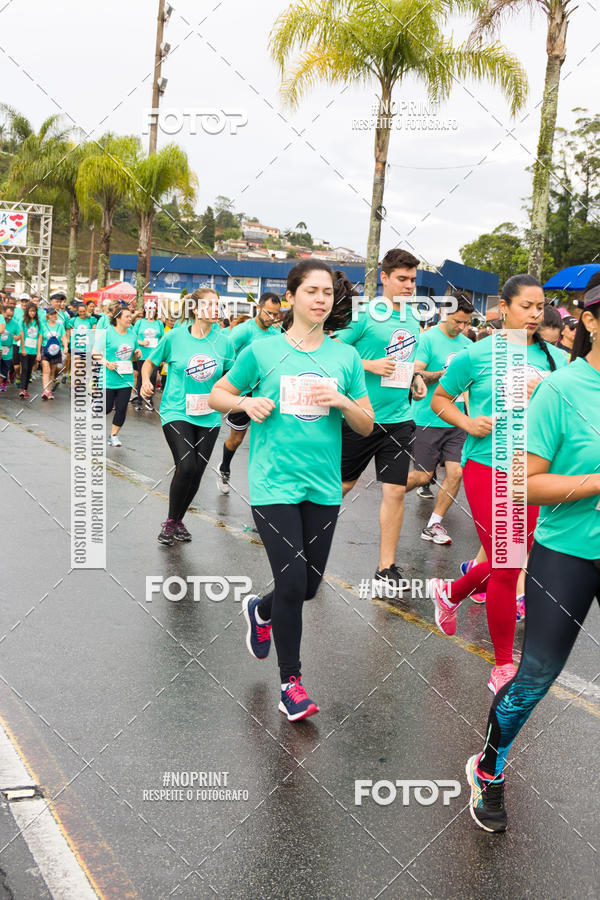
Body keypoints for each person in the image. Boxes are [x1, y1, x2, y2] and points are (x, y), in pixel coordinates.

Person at [466, 271, 600, 833]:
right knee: (539, 673)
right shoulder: (562, 389)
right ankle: (489, 769)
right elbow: (522, 484)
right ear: (590, 320)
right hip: (568, 554)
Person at [209, 261, 373, 721]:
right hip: (273, 482)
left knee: (309, 587)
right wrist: (245, 401)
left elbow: (365, 422)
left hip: (323, 486)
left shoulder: (346, 358)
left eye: (328, 293)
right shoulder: (263, 352)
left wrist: (343, 400)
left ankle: (261, 611)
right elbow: (218, 393)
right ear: (293, 297)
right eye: (312, 291)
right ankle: (291, 683)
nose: (321, 299)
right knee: (293, 579)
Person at [429, 274, 567, 694]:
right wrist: (468, 422)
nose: (534, 313)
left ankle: (451, 591)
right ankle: (504, 665)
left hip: (533, 471)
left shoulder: (555, 360)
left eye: (539, 306)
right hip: (487, 466)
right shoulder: (476, 354)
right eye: (525, 305)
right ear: (503, 308)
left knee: (515, 556)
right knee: (508, 563)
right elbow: (439, 399)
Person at [336, 248, 427, 587]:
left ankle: (385, 568)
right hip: (361, 417)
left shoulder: (412, 317)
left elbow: (406, 357)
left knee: (396, 492)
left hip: (400, 419)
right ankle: (304, 538)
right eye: (402, 279)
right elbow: (332, 350)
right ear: (384, 278)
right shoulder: (363, 315)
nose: (408, 286)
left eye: (413, 280)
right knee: (343, 486)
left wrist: (414, 379)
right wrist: (369, 365)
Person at [140, 289, 235, 545]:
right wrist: (146, 381)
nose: (216, 309)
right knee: (187, 465)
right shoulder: (174, 337)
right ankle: (171, 522)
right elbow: (150, 362)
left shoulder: (224, 342)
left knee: (198, 471)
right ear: (195, 309)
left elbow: (232, 376)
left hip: (210, 414)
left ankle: (179, 520)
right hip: (176, 410)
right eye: (210, 304)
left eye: (218, 304)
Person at [404, 293, 474, 544]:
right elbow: (417, 372)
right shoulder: (428, 338)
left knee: (455, 472)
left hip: (457, 420)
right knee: (423, 476)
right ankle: (393, 493)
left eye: (467, 323)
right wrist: (445, 375)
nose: (463, 327)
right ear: (445, 314)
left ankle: (434, 525)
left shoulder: (468, 344)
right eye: (458, 321)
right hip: (428, 418)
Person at [216, 292, 282, 494]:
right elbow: (224, 355)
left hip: (266, 394)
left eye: (275, 314)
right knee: (236, 439)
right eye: (268, 313)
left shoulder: (276, 335)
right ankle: (224, 467)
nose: (271, 318)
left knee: (269, 441)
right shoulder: (244, 331)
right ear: (258, 308)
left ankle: (267, 487)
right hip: (243, 394)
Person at [92, 306, 141, 447]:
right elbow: (95, 352)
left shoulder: (132, 334)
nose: (130, 318)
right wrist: (106, 362)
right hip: (108, 378)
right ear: (118, 318)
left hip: (126, 379)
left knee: (121, 408)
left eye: (130, 315)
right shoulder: (108, 333)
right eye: (126, 316)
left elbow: (133, 354)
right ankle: (95, 407)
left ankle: (113, 436)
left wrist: (137, 353)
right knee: (106, 408)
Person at [132, 299, 165, 411]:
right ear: (145, 310)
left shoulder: (159, 323)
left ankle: (149, 400)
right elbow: (132, 335)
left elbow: (162, 339)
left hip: (154, 355)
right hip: (142, 354)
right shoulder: (140, 322)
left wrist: (162, 355)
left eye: (152, 309)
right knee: (141, 377)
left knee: (153, 378)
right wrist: (141, 342)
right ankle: (140, 401)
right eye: (148, 309)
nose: (150, 311)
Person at [40, 307, 68, 399]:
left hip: (56, 350)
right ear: (48, 315)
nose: (53, 316)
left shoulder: (60, 326)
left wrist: (66, 347)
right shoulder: (44, 325)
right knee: (46, 369)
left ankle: (49, 391)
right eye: (51, 314)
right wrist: (37, 353)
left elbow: (64, 337)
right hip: (45, 349)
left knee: (52, 371)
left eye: (55, 314)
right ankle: (45, 391)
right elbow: (40, 338)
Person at [18, 302, 42, 398]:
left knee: (29, 370)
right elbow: (22, 335)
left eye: (34, 311)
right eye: (31, 311)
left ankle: (25, 389)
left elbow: (39, 337)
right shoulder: (22, 321)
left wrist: (38, 352)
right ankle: (22, 389)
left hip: (33, 350)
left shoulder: (38, 323)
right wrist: (23, 348)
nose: (33, 313)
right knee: (24, 368)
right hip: (24, 350)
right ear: (27, 311)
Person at [0, 304, 19, 391]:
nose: (10, 318)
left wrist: (17, 337)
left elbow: (19, 334)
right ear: (3, 313)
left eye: (11, 316)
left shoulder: (15, 323)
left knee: (5, 368)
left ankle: (3, 383)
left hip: (8, 349)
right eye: (8, 315)